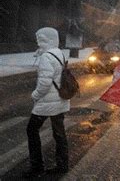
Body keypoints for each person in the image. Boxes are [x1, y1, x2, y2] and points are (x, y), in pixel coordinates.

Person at [23, 27, 70, 178]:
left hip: (47, 103)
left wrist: (34, 95)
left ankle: (37, 167)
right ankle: (62, 165)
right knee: (59, 134)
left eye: (40, 40)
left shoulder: (46, 57)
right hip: (60, 100)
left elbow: (44, 83)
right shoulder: (58, 53)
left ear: (47, 40)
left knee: (32, 130)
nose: (38, 42)